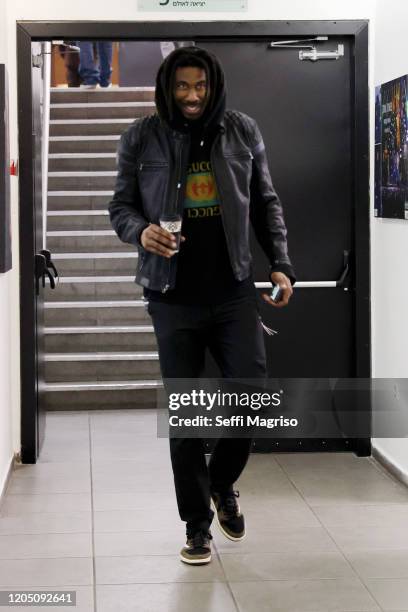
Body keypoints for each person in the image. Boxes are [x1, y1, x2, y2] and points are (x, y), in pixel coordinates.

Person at [108, 46, 296, 565]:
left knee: (251, 398)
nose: (191, 96)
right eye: (182, 87)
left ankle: (222, 484)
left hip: (233, 289)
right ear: (168, 87)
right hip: (170, 297)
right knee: (186, 417)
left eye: (200, 86)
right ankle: (196, 527)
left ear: (213, 86)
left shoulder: (242, 131)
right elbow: (120, 205)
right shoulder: (141, 136)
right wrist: (139, 230)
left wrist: (280, 262)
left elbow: (264, 201)